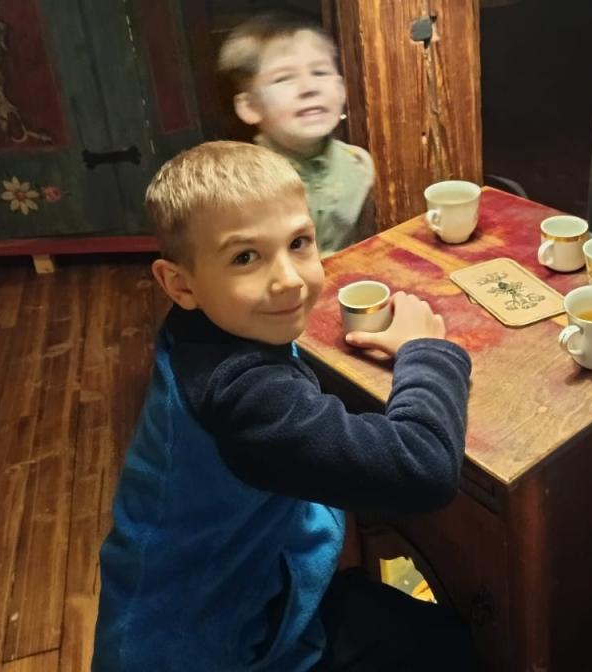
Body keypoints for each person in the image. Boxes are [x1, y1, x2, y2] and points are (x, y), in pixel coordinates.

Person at [93, 141, 475, 672]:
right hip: (212, 648)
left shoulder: (206, 330)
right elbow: (424, 466)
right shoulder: (239, 393)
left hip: (223, 599)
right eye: (245, 257)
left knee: (423, 633)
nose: (290, 279)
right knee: (450, 646)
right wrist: (428, 352)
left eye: (299, 243)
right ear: (179, 284)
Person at [218, 11, 375, 256]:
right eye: (284, 78)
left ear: (341, 89)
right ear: (250, 106)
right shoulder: (239, 186)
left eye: (320, 72)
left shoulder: (359, 165)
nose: (309, 88)